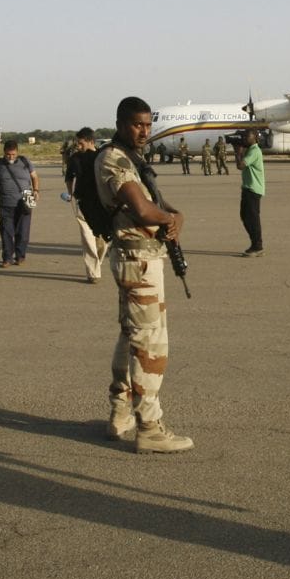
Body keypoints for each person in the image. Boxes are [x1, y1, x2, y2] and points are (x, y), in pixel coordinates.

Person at [95, 96, 192, 454]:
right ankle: (150, 426)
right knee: (150, 344)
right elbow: (140, 207)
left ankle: (120, 411)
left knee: (130, 336)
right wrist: (168, 220)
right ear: (121, 123)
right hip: (137, 260)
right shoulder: (113, 158)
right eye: (138, 124)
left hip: (144, 258)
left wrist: (174, 215)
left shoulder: (133, 159)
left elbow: (157, 203)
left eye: (149, 125)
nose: (144, 131)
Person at [63, 127, 108, 283]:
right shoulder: (74, 158)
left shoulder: (101, 156)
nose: (78, 146)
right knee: (87, 238)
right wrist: (70, 194)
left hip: (101, 203)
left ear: (90, 141)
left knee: (102, 240)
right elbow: (69, 178)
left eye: (81, 143)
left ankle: (97, 263)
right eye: (77, 143)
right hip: (82, 202)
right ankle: (93, 272)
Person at [0, 139, 38, 267]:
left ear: (17, 152)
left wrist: (36, 190)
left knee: (23, 232)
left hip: (26, 199)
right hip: (5, 202)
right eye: (8, 154)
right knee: (6, 232)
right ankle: (7, 258)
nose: (11, 157)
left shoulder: (25, 161)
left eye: (13, 154)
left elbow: (34, 177)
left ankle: (20, 256)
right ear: (4, 152)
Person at [235, 129, 266, 258]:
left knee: (252, 218)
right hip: (248, 188)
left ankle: (257, 246)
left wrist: (237, 153)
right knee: (245, 217)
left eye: (247, 136)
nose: (244, 138)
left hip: (253, 189)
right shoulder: (250, 150)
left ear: (255, 138)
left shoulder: (254, 150)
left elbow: (241, 165)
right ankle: (255, 244)